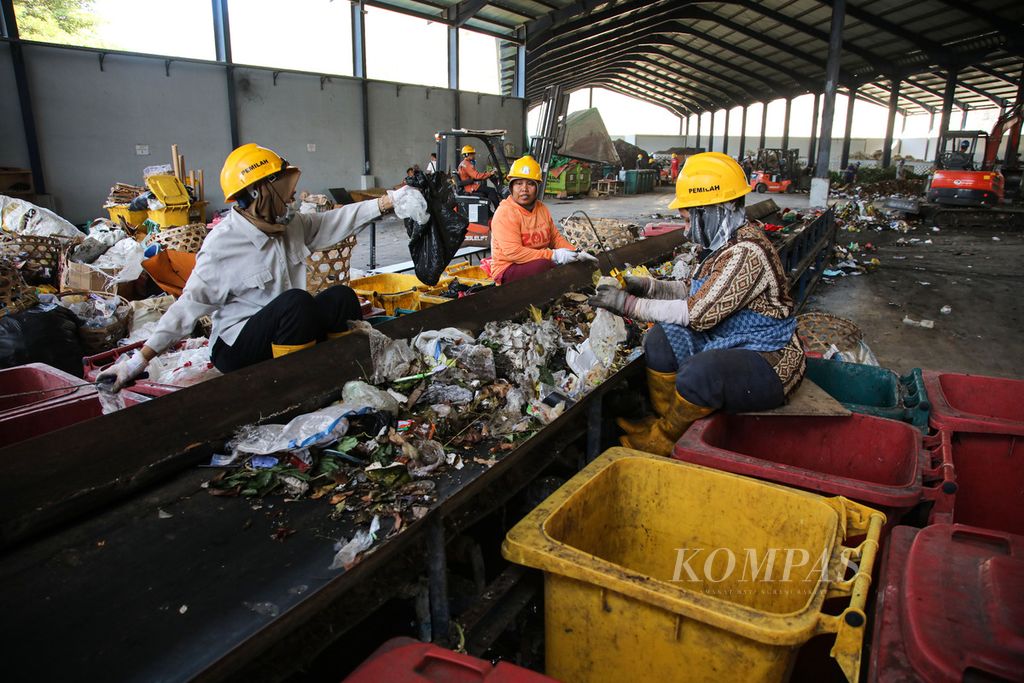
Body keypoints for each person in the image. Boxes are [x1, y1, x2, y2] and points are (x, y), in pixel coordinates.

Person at [99, 143, 416, 391]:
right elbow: (187, 308)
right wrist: (137, 362)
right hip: (237, 346)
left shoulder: (288, 225)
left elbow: (335, 220)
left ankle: (338, 370)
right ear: (260, 191)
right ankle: (296, 388)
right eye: (282, 188)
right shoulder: (223, 244)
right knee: (297, 303)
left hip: (284, 334)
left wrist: (388, 202)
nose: (290, 197)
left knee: (341, 298)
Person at [588, 152, 805, 455]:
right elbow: (695, 289)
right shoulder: (723, 245)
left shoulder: (746, 252)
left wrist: (627, 304)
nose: (687, 229)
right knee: (659, 339)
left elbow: (697, 314)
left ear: (711, 211)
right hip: (728, 339)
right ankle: (665, 421)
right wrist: (650, 286)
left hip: (767, 357)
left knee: (700, 373)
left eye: (689, 218)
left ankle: (665, 438)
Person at [489, 154, 598, 285]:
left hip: (540, 260)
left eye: (530, 184)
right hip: (509, 268)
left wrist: (576, 253)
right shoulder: (505, 213)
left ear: (537, 187)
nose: (524, 189)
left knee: (572, 263)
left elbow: (555, 238)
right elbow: (515, 253)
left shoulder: (541, 208)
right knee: (544, 266)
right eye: (518, 183)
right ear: (511, 187)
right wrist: (553, 256)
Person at [457, 145, 500, 209]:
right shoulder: (467, 164)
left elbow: (474, 175)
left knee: (487, 189)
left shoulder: (463, 163)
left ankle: (489, 210)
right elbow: (477, 176)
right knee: (492, 190)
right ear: (467, 154)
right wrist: (489, 174)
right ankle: (497, 210)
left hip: (468, 186)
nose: (474, 155)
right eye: (472, 154)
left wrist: (486, 173)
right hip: (471, 187)